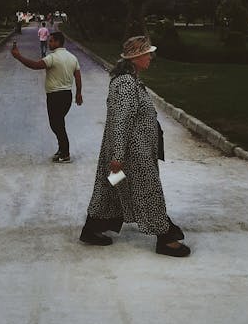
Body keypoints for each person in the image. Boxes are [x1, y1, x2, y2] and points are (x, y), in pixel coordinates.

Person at [79, 35, 190, 257]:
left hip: (129, 151)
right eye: (147, 54)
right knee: (148, 191)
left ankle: (91, 230)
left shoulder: (129, 80)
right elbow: (120, 121)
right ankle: (165, 237)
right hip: (132, 154)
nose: (151, 57)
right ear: (136, 57)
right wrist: (118, 156)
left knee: (109, 187)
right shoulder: (126, 84)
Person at [11, 31, 82, 162]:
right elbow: (77, 76)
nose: (49, 43)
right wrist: (78, 93)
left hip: (55, 96)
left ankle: (65, 153)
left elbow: (35, 65)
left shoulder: (52, 57)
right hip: (67, 95)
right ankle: (62, 149)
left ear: (58, 42)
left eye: (51, 41)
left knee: (56, 124)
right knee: (58, 123)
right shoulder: (72, 57)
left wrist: (18, 57)